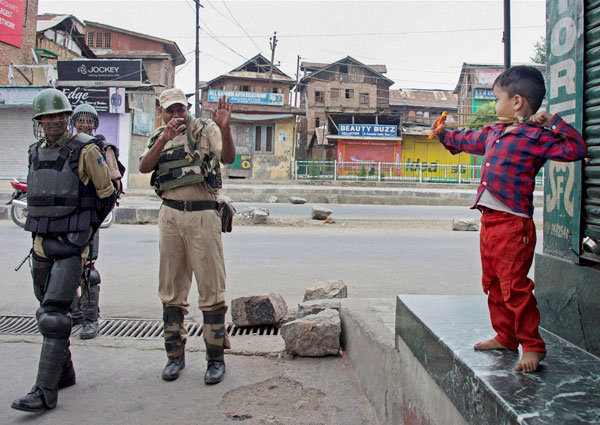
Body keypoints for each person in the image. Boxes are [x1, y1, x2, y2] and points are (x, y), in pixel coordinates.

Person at [432, 65, 588, 373]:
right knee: (492, 284)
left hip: (514, 226)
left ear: (516, 102)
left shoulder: (534, 136)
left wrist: (553, 122)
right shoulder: (493, 133)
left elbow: (576, 148)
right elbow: (466, 139)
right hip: (490, 223)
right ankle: (506, 336)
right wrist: (443, 135)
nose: (494, 106)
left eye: (497, 99)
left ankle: (532, 345)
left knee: (514, 287)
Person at [11, 89, 116, 413]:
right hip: (41, 243)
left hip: (71, 245)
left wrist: (84, 235)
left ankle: (44, 392)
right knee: (46, 312)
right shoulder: (33, 152)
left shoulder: (86, 150)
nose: (53, 122)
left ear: (66, 118)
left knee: (55, 316)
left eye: (59, 116)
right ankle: (64, 372)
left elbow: (107, 194)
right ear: (39, 122)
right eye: (47, 117)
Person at [138, 88, 235, 385]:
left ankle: (215, 360)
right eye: (170, 110)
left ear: (187, 108)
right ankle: (174, 356)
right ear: (162, 112)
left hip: (203, 214)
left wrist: (225, 128)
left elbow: (228, 157)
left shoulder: (205, 129)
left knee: (211, 289)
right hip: (170, 215)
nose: (176, 115)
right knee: (171, 290)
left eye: (180, 109)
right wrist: (165, 139)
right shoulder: (158, 135)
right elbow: (144, 166)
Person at [69, 104, 125, 339]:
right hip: (65, 220)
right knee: (64, 267)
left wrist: (95, 217)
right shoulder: (66, 147)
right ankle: (74, 314)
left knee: (88, 270)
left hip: (88, 219)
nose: (85, 124)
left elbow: (114, 186)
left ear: (95, 124)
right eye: (80, 120)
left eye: (89, 121)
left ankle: (91, 318)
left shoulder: (103, 148)